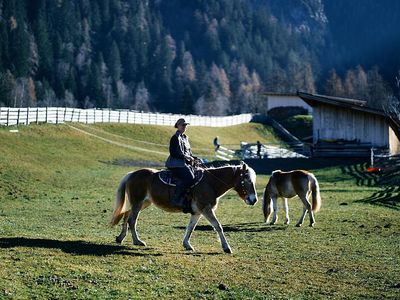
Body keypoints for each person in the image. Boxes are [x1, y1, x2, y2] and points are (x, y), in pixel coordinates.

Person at [165, 118, 197, 210]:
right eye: (183, 125)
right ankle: (176, 199)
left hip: (185, 163)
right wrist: (185, 157)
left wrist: (193, 158)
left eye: (186, 125)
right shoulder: (175, 138)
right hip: (176, 164)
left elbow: (188, 152)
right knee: (190, 177)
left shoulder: (185, 138)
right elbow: (173, 153)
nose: (184, 127)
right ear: (178, 126)